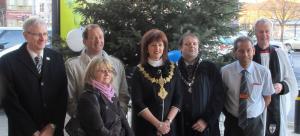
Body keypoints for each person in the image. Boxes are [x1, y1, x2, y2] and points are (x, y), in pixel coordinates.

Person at [0, 17, 68, 136]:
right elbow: (9, 101)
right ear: (25, 35)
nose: (43, 38)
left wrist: (52, 125)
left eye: (45, 34)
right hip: (22, 131)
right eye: (38, 34)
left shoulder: (56, 58)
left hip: (52, 132)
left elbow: (62, 95)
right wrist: (32, 131)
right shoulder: (7, 62)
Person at [65, 24, 130, 117]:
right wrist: (86, 122)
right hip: (86, 126)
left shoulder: (117, 64)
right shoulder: (72, 66)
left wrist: (118, 118)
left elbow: (123, 96)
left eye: (100, 37)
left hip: (115, 126)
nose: (98, 41)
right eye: (93, 37)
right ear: (84, 41)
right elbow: (70, 100)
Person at [131, 29, 181, 136]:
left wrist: (167, 122)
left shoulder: (173, 68)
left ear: (164, 47)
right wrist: (158, 124)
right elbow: (137, 102)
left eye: (160, 45)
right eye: (153, 45)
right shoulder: (139, 71)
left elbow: (178, 98)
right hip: (145, 128)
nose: (157, 48)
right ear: (146, 48)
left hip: (169, 128)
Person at [221, 36, 275, 136]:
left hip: (255, 124)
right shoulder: (225, 72)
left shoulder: (263, 72)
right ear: (235, 52)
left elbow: (268, 97)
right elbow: (221, 97)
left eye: (248, 50)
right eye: (241, 51)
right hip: (232, 122)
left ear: (253, 51)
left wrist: (256, 111)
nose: (245, 54)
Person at [253, 18, 298, 136]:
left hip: (276, 105)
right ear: (255, 33)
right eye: (260, 31)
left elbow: (290, 80)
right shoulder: (249, 52)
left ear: (271, 33)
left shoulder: (280, 54)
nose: (264, 35)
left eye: (267, 31)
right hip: (254, 106)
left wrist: (281, 86)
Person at [176, 32, 225, 136]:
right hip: (181, 126)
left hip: (205, 128)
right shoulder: (173, 70)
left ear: (198, 47)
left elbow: (218, 97)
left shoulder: (210, 68)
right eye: (187, 44)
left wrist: (206, 120)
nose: (192, 46)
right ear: (180, 47)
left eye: (194, 43)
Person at [77, 58, 134, 136]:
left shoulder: (111, 94)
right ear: (92, 74)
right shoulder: (88, 98)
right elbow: (98, 130)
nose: (107, 73)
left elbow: (123, 120)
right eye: (102, 70)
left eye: (109, 70)